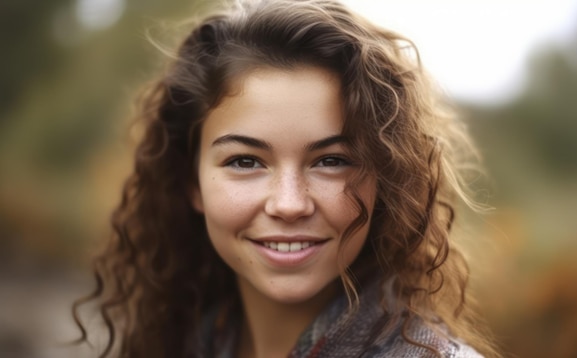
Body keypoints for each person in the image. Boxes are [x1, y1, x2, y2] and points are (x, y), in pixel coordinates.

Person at [73, 0, 498, 357]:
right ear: (191, 181)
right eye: (244, 162)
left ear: (384, 178)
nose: (290, 204)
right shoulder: (180, 342)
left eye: (331, 161)